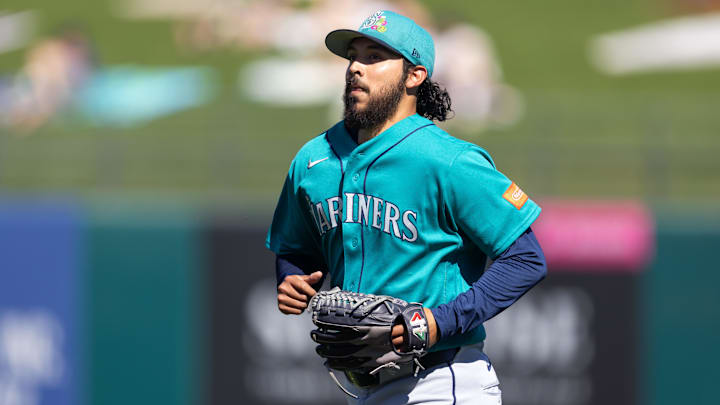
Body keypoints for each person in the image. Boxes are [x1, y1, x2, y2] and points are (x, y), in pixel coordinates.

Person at [266, 10, 547, 404]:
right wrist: (291, 277)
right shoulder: (314, 161)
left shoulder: (449, 162)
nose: (356, 69)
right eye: (353, 56)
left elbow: (525, 259)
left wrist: (441, 321)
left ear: (414, 75)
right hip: (364, 388)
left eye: (374, 57)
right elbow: (295, 249)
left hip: (441, 381)